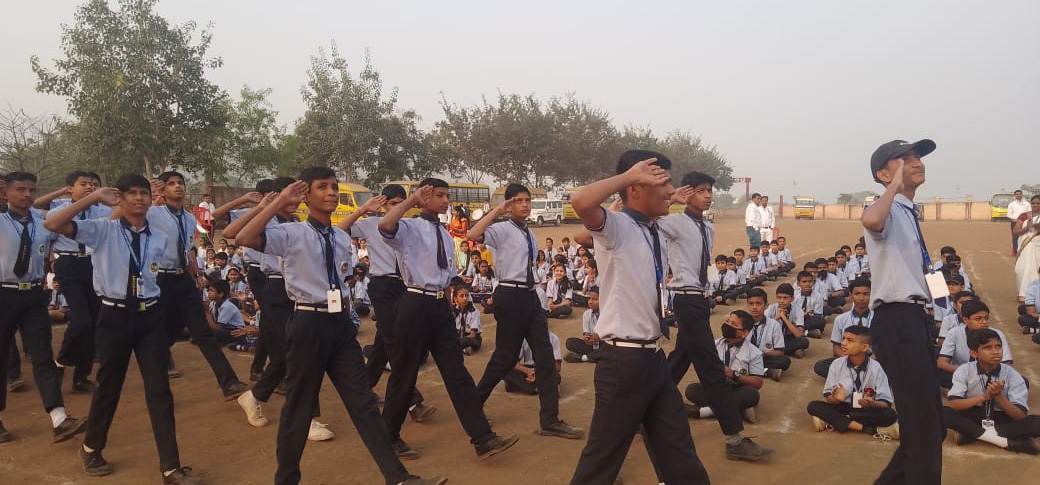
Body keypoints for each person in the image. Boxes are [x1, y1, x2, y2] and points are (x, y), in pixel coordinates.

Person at [236, 169, 447, 485]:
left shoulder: (338, 235)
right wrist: (279, 200)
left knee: (363, 403)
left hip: (339, 328)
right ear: (305, 196)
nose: (332, 193)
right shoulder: (292, 233)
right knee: (298, 407)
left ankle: (399, 478)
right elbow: (244, 238)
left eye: (334, 187)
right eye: (322, 187)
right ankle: (286, 479)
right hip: (308, 323)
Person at [46, 175, 201, 482]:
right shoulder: (103, 229)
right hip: (114, 316)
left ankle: (171, 467)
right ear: (121, 198)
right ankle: (91, 447)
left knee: (159, 390)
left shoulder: (158, 237)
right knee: (109, 386)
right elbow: (53, 224)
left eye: (144, 193)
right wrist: (92, 198)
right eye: (132, 193)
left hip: (150, 316)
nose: (140, 199)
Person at [569, 150, 710, 485]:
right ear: (635, 187)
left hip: (653, 358)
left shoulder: (651, 229)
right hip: (623, 362)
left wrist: (667, 196)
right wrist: (630, 176)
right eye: (663, 182)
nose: (671, 191)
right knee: (601, 461)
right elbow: (580, 201)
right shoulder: (616, 226)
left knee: (678, 448)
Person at [379, 177, 520, 461]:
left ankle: (482, 438)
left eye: (447, 196)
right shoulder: (410, 227)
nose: (446, 202)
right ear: (425, 197)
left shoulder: (444, 233)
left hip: (438, 306)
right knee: (404, 374)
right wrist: (411, 200)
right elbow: (385, 225)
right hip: (414, 302)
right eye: (440, 196)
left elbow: (445, 274)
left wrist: (447, 306)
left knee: (457, 373)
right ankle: (388, 436)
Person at [659, 170, 771, 460]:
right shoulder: (673, 222)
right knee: (711, 369)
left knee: (680, 359)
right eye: (700, 190)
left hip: (699, 300)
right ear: (688, 192)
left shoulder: (708, 228)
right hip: (685, 298)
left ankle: (643, 413)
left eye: (709, 190)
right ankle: (734, 440)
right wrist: (670, 199)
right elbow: (647, 222)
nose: (707, 195)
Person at [466, 182, 583, 439]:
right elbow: (473, 235)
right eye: (519, 200)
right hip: (510, 294)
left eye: (527, 200)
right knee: (505, 357)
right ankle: (472, 405)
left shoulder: (528, 232)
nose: (526, 204)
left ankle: (550, 420)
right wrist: (498, 211)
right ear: (509, 205)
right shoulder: (501, 229)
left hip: (530, 297)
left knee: (544, 355)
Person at [861, 138, 943, 485]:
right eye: (905, 158)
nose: (916, 162)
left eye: (918, 157)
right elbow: (871, 221)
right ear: (883, 172)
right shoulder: (887, 206)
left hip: (916, 321)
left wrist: (937, 311)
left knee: (932, 427)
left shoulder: (908, 211)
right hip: (897, 320)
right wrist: (892, 187)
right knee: (923, 428)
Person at [337, 185, 438, 431]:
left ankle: (363, 389)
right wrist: (362, 209)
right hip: (383, 286)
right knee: (396, 343)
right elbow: (338, 230)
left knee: (384, 342)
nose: (397, 207)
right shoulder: (371, 224)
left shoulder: (412, 226)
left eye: (401, 202)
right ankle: (413, 402)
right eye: (392, 203)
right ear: (383, 204)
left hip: (406, 287)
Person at [0, 172, 88, 445]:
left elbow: (74, 223)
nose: (26, 195)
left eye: (31, 190)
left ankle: (59, 418)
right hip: (3, 293)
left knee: (42, 357)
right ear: (7, 192)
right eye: (20, 190)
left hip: (34, 296)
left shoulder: (45, 221)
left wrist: (91, 198)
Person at [147, 172, 249, 399]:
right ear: (162, 190)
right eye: (171, 184)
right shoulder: (153, 213)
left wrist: (197, 274)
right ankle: (157, 378)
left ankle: (228, 382)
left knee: (202, 331)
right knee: (164, 332)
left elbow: (188, 249)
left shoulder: (188, 218)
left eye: (180, 183)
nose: (178, 187)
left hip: (183, 279)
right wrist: (151, 198)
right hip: (160, 279)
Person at [45, 171, 109, 393]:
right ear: (69, 188)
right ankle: (62, 360)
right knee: (81, 319)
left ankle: (81, 377)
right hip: (69, 266)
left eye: (93, 184)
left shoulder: (104, 211)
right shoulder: (57, 212)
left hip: (94, 265)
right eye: (83, 184)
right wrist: (49, 266)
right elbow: (48, 240)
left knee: (94, 321)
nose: (90, 187)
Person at [943, 328, 1039, 454]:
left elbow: (1020, 415)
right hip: (975, 413)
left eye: (998, 347)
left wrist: (999, 396)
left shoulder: (1012, 374)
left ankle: (971, 434)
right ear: (973, 353)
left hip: (1002, 416)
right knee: (942, 412)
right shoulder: (964, 370)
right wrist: (984, 397)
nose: (996, 352)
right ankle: (1006, 442)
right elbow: (954, 404)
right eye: (987, 348)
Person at [807, 326, 899, 439]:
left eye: (850, 341)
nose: (843, 343)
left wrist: (871, 403)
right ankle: (869, 429)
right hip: (843, 406)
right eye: (844, 338)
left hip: (866, 410)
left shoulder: (876, 368)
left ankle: (832, 421)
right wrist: (836, 399)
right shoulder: (836, 364)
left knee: (890, 415)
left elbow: (886, 403)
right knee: (813, 406)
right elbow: (828, 398)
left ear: (864, 347)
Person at [686, 310, 765, 425]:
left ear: (744, 333)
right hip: (716, 387)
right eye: (728, 321)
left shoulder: (754, 352)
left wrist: (734, 375)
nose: (728, 325)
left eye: (734, 325)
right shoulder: (714, 345)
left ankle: (705, 411)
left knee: (752, 394)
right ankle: (738, 408)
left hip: (738, 389)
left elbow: (758, 383)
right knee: (692, 390)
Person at [937, 300, 1013, 389]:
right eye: (978, 319)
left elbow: (1007, 363)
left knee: (1021, 381)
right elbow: (942, 363)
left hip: (991, 375)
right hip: (962, 374)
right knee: (935, 374)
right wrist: (969, 372)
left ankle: (966, 391)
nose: (984, 322)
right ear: (965, 320)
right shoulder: (954, 333)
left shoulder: (997, 334)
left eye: (986, 318)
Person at [815, 278, 874, 378]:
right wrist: (851, 360)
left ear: (872, 295)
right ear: (851, 295)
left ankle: (854, 375)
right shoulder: (841, 319)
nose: (861, 298)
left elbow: (882, 348)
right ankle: (860, 375)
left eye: (866, 294)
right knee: (820, 366)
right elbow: (836, 347)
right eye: (857, 294)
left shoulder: (878, 320)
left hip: (871, 358)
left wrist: (867, 362)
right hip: (848, 357)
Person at [745, 288, 788, 381]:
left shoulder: (774, 324)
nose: (754, 307)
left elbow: (780, 351)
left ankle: (748, 371)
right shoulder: (742, 322)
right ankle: (766, 371)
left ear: (766, 305)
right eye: (751, 304)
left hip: (763, 357)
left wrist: (765, 353)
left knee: (784, 360)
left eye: (759, 304)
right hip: (744, 357)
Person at [765, 283, 809, 359]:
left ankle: (778, 352)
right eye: (779, 297)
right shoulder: (771, 308)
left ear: (792, 298)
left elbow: (798, 334)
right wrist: (777, 317)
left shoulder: (798, 310)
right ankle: (792, 351)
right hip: (774, 338)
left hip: (789, 338)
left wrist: (784, 317)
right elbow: (762, 329)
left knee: (804, 341)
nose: (782, 301)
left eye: (785, 298)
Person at [1013, 195, 1040, 302]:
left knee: (1035, 270)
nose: (1035, 205)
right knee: (1020, 269)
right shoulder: (1024, 216)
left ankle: (1034, 295)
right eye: (1033, 203)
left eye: (1038, 203)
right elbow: (1015, 231)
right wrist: (1027, 227)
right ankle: (1022, 293)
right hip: (1026, 245)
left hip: (1037, 245)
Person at [564, 286, 602, 363]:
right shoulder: (587, 314)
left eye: (594, 299)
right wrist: (587, 338)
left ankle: (584, 358)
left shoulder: (607, 314)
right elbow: (586, 334)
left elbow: (612, 338)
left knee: (614, 350)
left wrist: (599, 338)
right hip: (593, 346)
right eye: (589, 298)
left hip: (605, 345)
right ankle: (597, 357)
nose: (590, 302)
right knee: (570, 342)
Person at [793, 270, 827, 338]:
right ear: (798, 283)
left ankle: (797, 330)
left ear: (813, 282)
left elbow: (818, 314)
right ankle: (806, 332)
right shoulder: (794, 295)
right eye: (804, 282)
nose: (807, 284)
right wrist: (800, 314)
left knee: (820, 320)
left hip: (808, 319)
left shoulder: (818, 296)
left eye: (810, 281)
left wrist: (808, 314)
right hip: (796, 319)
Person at [453, 287, 482, 355]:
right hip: (458, 336)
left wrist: (457, 341)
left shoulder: (474, 311)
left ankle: (457, 348)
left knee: (466, 341)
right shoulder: (453, 311)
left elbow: (472, 335)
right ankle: (464, 349)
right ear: (455, 298)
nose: (465, 298)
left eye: (466, 295)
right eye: (461, 296)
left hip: (472, 339)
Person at [1007, 190, 1030, 256]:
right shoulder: (1011, 204)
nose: (1018, 195)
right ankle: (1016, 252)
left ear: (1022, 195)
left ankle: (1024, 251)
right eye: (1016, 194)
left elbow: (1029, 212)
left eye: (1019, 194)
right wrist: (1018, 219)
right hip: (1015, 223)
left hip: (1025, 223)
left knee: (1025, 236)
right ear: (1014, 195)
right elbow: (1008, 215)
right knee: (1015, 238)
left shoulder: (1026, 204)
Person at [449, 205, 470, 271]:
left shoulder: (463, 219)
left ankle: (463, 267)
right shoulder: (453, 218)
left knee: (461, 253)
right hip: (455, 238)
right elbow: (451, 226)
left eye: (454, 211)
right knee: (455, 253)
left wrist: (454, 229)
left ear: (458, 212)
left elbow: (463, 230)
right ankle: (457, 267)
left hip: (462, 238)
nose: (453, 212)